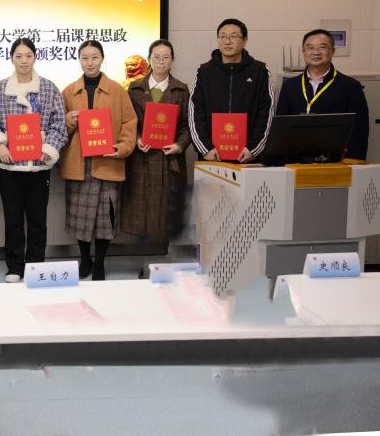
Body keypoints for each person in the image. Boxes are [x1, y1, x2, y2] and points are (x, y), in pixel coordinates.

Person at [0, 37, 67, 283]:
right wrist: (0, 145)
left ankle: (35, 267)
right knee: (12, 219)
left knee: (37, 219)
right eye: (18, 56)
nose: (23, 61)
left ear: (35, 57)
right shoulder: (0, 89)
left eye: (28, 55)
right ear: (11, 58)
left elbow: (59, 124)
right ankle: (14, 266)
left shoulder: (49, 88)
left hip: (38, 165)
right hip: (9, 166)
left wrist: (49, 149)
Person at [61, 40, 137, 280]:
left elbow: (129, 123)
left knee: (106, 217)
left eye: (94, 57)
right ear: (79, 60)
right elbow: (57, 128)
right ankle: (85, 259)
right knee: (80, 218)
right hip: (79, 163)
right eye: (85, 58)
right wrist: (68, 121)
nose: (90, 63)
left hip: (107, 161)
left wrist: (122, 147)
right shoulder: (69, 91)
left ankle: (100, 263)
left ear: (102, 59)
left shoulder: (117, 90)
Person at [121, 40, 192, 261]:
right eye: (157, 57)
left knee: (164, 211)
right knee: (139, 209)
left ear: (172, 60)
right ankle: (139, 260)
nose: (161, 61)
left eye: (166, 57)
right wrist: (137, 138)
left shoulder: (181, 89)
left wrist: (179, 145)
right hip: (141, 158)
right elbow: (128, 122)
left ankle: (160, 259)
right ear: (149, 59)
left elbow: (187, 125)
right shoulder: (135, 88)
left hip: (168, 160)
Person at [189, 18, 274, 163]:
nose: (227, 41)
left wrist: (253, 149)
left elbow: (267, 113)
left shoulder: (260, 71)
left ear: (245, 40)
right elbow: (195, 112)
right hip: (212, 156)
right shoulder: (204, 71)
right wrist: (206, 148)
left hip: (247, 156)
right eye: (222, 36)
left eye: (233, 36)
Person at [277, 29, 370, 160]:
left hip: (335, 162)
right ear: (303, 52)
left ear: (333, 51)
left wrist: (352, 163)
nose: (316, 52)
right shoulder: (290, 86)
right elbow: (281, 127)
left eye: (322, 47)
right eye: (310, 47)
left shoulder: (350, 86)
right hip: (296, 161)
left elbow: (359, 132)